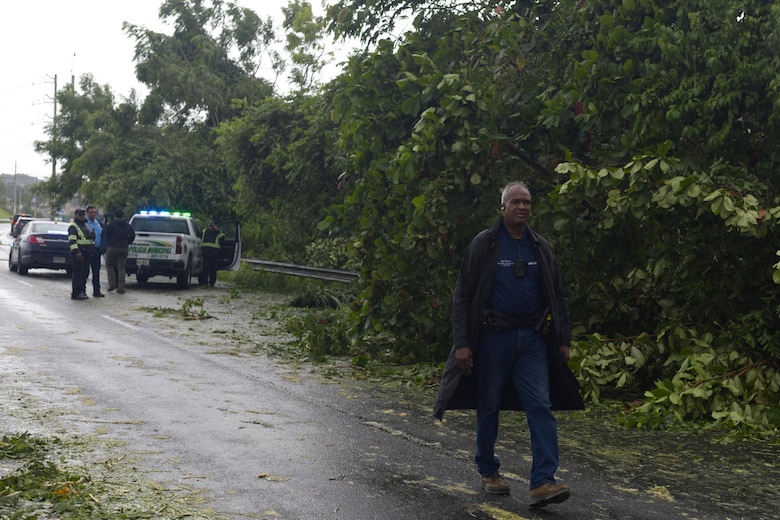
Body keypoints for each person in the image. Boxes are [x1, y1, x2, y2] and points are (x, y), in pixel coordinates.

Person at [433, 181, 583, 508]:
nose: (522, 207)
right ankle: (488, 471)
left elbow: (557, 295)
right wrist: (462, 343)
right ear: (502, 207)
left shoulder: (539, 246)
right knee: (488, 406)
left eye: (526, 202)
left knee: (540, 405)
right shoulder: (485, 244)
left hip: (532, 340)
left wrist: (563, 339)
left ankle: (543, 481)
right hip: (492, 338)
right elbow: (463, 296)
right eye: (515, 202)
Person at [105, 208, 135, 294]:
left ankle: (112, 284)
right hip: (123, 248)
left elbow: (106, 234)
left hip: (112, 247)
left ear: (115, 215)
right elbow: (132, 235)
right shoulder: (128, 225)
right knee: (121, 268)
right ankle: (121, 288)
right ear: (122, 215)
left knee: (109, 265)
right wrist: (128, 242)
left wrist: (108, 243)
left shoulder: (111, 225)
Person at [68, 208, 96, 300]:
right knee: (78, 274)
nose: (82, 216)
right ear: (76, 215)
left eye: (83, 215)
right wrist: (77, 252)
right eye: (80, 214)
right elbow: (72, 241)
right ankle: (76, 293)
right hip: (79, 253)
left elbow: (86, 238)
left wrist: (92, 236)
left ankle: (82, 291)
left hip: (87, 253)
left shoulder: (85, 225)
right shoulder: (73, 226)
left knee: (84, 274)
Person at [85, 205, 106, 297]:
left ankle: (97, 291)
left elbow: (104, 235)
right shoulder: (84, 223)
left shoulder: (99, 224)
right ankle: (82, 290)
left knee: (96, 271)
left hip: (96, 251)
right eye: (91, 212)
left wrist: (103, 247)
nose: (93, 214)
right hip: (87, 250)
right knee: (85, 272)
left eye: (94, 212)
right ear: (87, 213)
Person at [201, 220, 225, 287]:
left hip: (214, 255)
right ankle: (204, 283)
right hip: (206, 254)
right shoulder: (204, 232)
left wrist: (217, 230)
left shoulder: (218, 233)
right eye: (210, 226)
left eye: (212, 226)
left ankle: (212, 283)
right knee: (205, 270)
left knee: (213, 270)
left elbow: (223, 238)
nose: (211, 227)